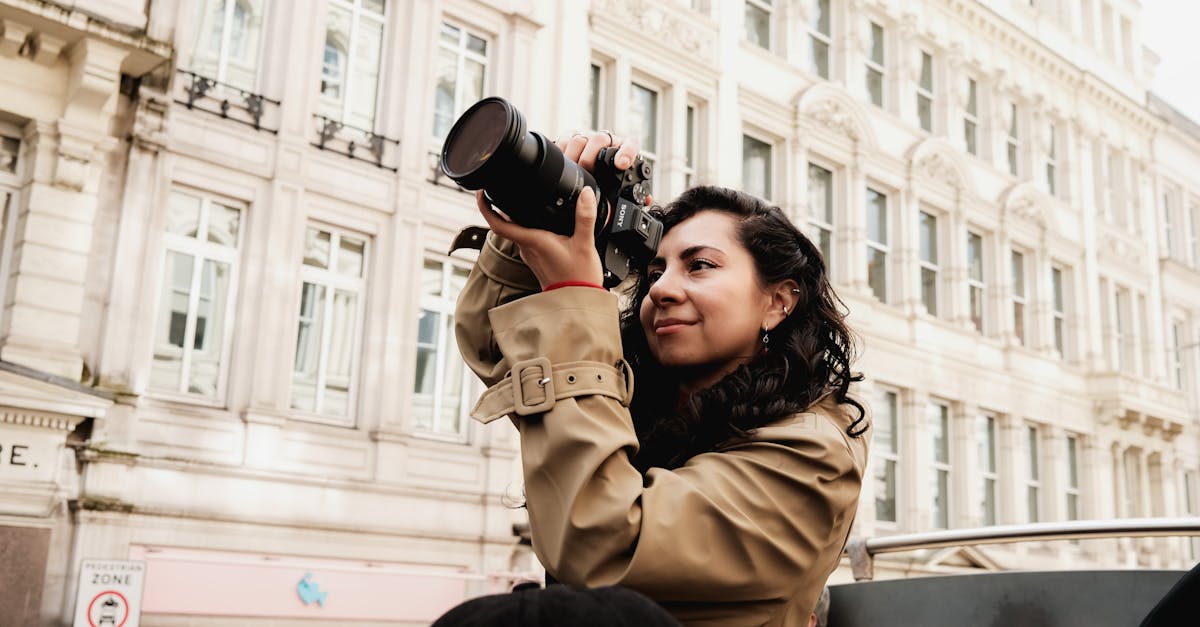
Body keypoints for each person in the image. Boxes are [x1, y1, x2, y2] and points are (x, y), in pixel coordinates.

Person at [451, 130, 868, 626]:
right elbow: (497, 346)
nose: (663, 289)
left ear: (779, 300)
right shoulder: (636, 401)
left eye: (700, 266)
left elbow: (602, 540)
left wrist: (573, 294)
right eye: (653, 271)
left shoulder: (812, 453)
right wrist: (533, 229)